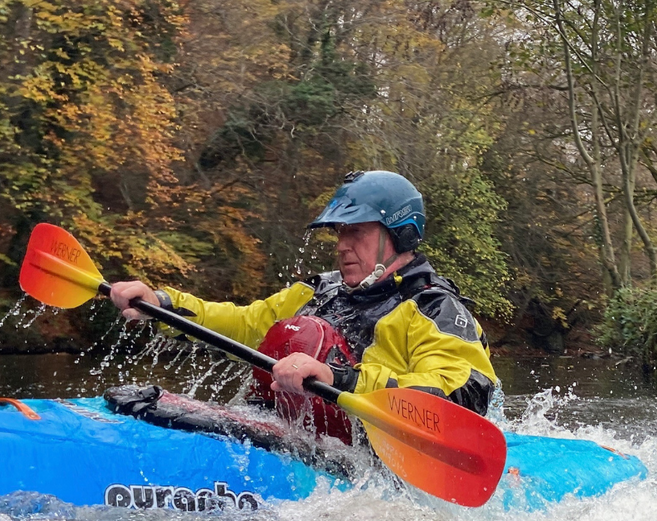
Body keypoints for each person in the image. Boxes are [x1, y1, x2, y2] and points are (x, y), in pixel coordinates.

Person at [108, 171, 499, 438]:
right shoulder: (319, 291)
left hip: (371, 455)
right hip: (287, 434)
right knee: (298, 329)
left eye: (356, 232)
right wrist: (162, 303)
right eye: (340, 233)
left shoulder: (433, 309)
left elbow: (462, 396)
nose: (342, 245)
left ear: (400, 235)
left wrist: (341, 378)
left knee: (312, 337)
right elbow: (245, 323)